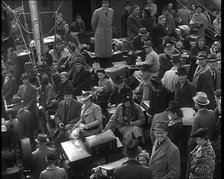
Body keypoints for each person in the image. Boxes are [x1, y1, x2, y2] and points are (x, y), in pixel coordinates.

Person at [91, 0, 114, 68]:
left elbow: (111, 22)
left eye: (107, 3)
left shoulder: (111, 11)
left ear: (109, 3)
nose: (105, 4)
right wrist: (97, 31)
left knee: (108, 50)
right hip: (99, 32)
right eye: (104, 3)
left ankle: (108, 65)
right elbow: (93, 23)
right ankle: (101, 66)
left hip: (108, 32)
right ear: (102, 4)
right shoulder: (97, 11)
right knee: (100, 51)